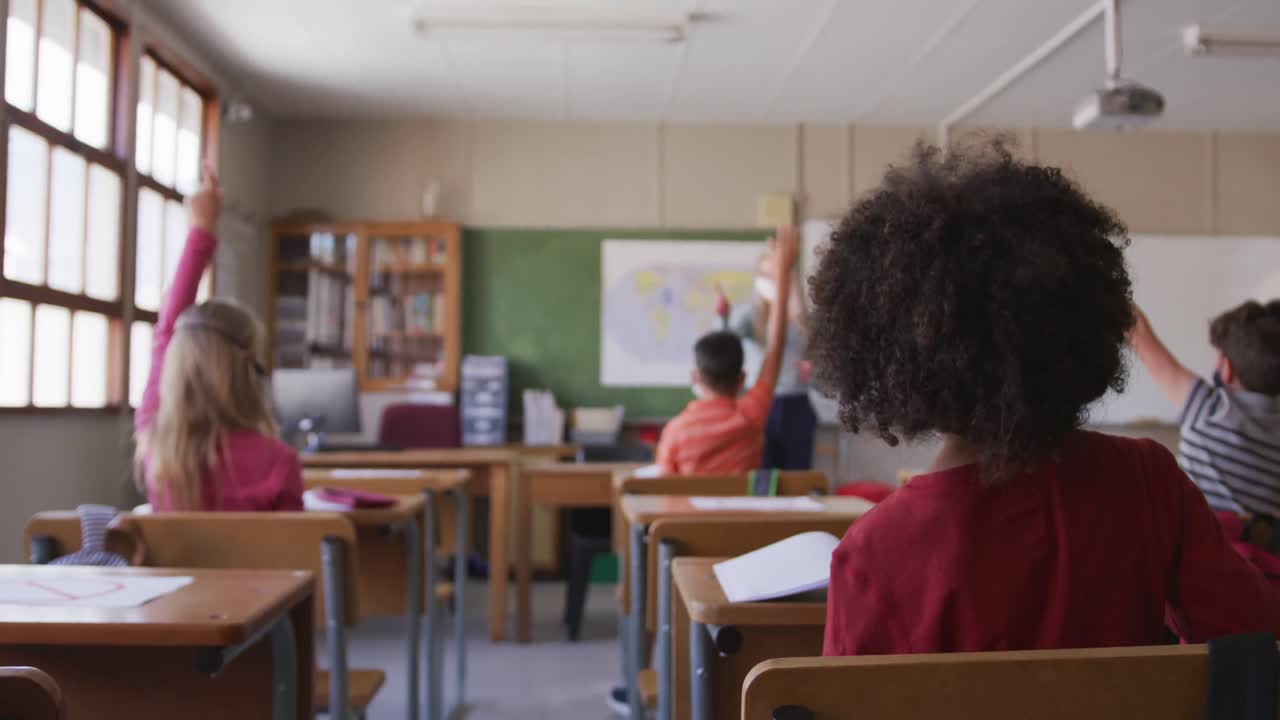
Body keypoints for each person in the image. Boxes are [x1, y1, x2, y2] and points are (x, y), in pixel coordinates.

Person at [811, 139, 1280, 657]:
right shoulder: (1150, 484)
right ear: (1080, 324)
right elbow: (1252, 638)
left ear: (891, 359)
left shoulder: (873, 552)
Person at [134, 164, 303, 512]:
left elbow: (168, 330)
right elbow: (293, 558)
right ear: (248, 371)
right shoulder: (278, 462)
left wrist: (201, 230)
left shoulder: (156, 445)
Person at [655, 226, 799, 474]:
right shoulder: (750, 415)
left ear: (695, 378)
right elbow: (775, 346)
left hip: (686, 514)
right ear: (742, 378)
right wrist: (784, 275)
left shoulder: (676, 432)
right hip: (740, 514)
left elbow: (664, 489)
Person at [1130, 302, 1280, 515]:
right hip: (1258, 546)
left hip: (1196, 542)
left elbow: (1141, 336)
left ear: (1226, 369)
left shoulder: (1208, 408)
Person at [721, 240, 817, 469]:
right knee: (761, 476)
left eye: (776, 274)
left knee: (797, 477)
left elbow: (816, 349)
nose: (771, 280)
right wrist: (724, 316)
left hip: (797, 403)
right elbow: (727, 341)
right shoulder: (751, 315)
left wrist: (792, 288)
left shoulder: (800, 316)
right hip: (761, 402)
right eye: (766, 274)